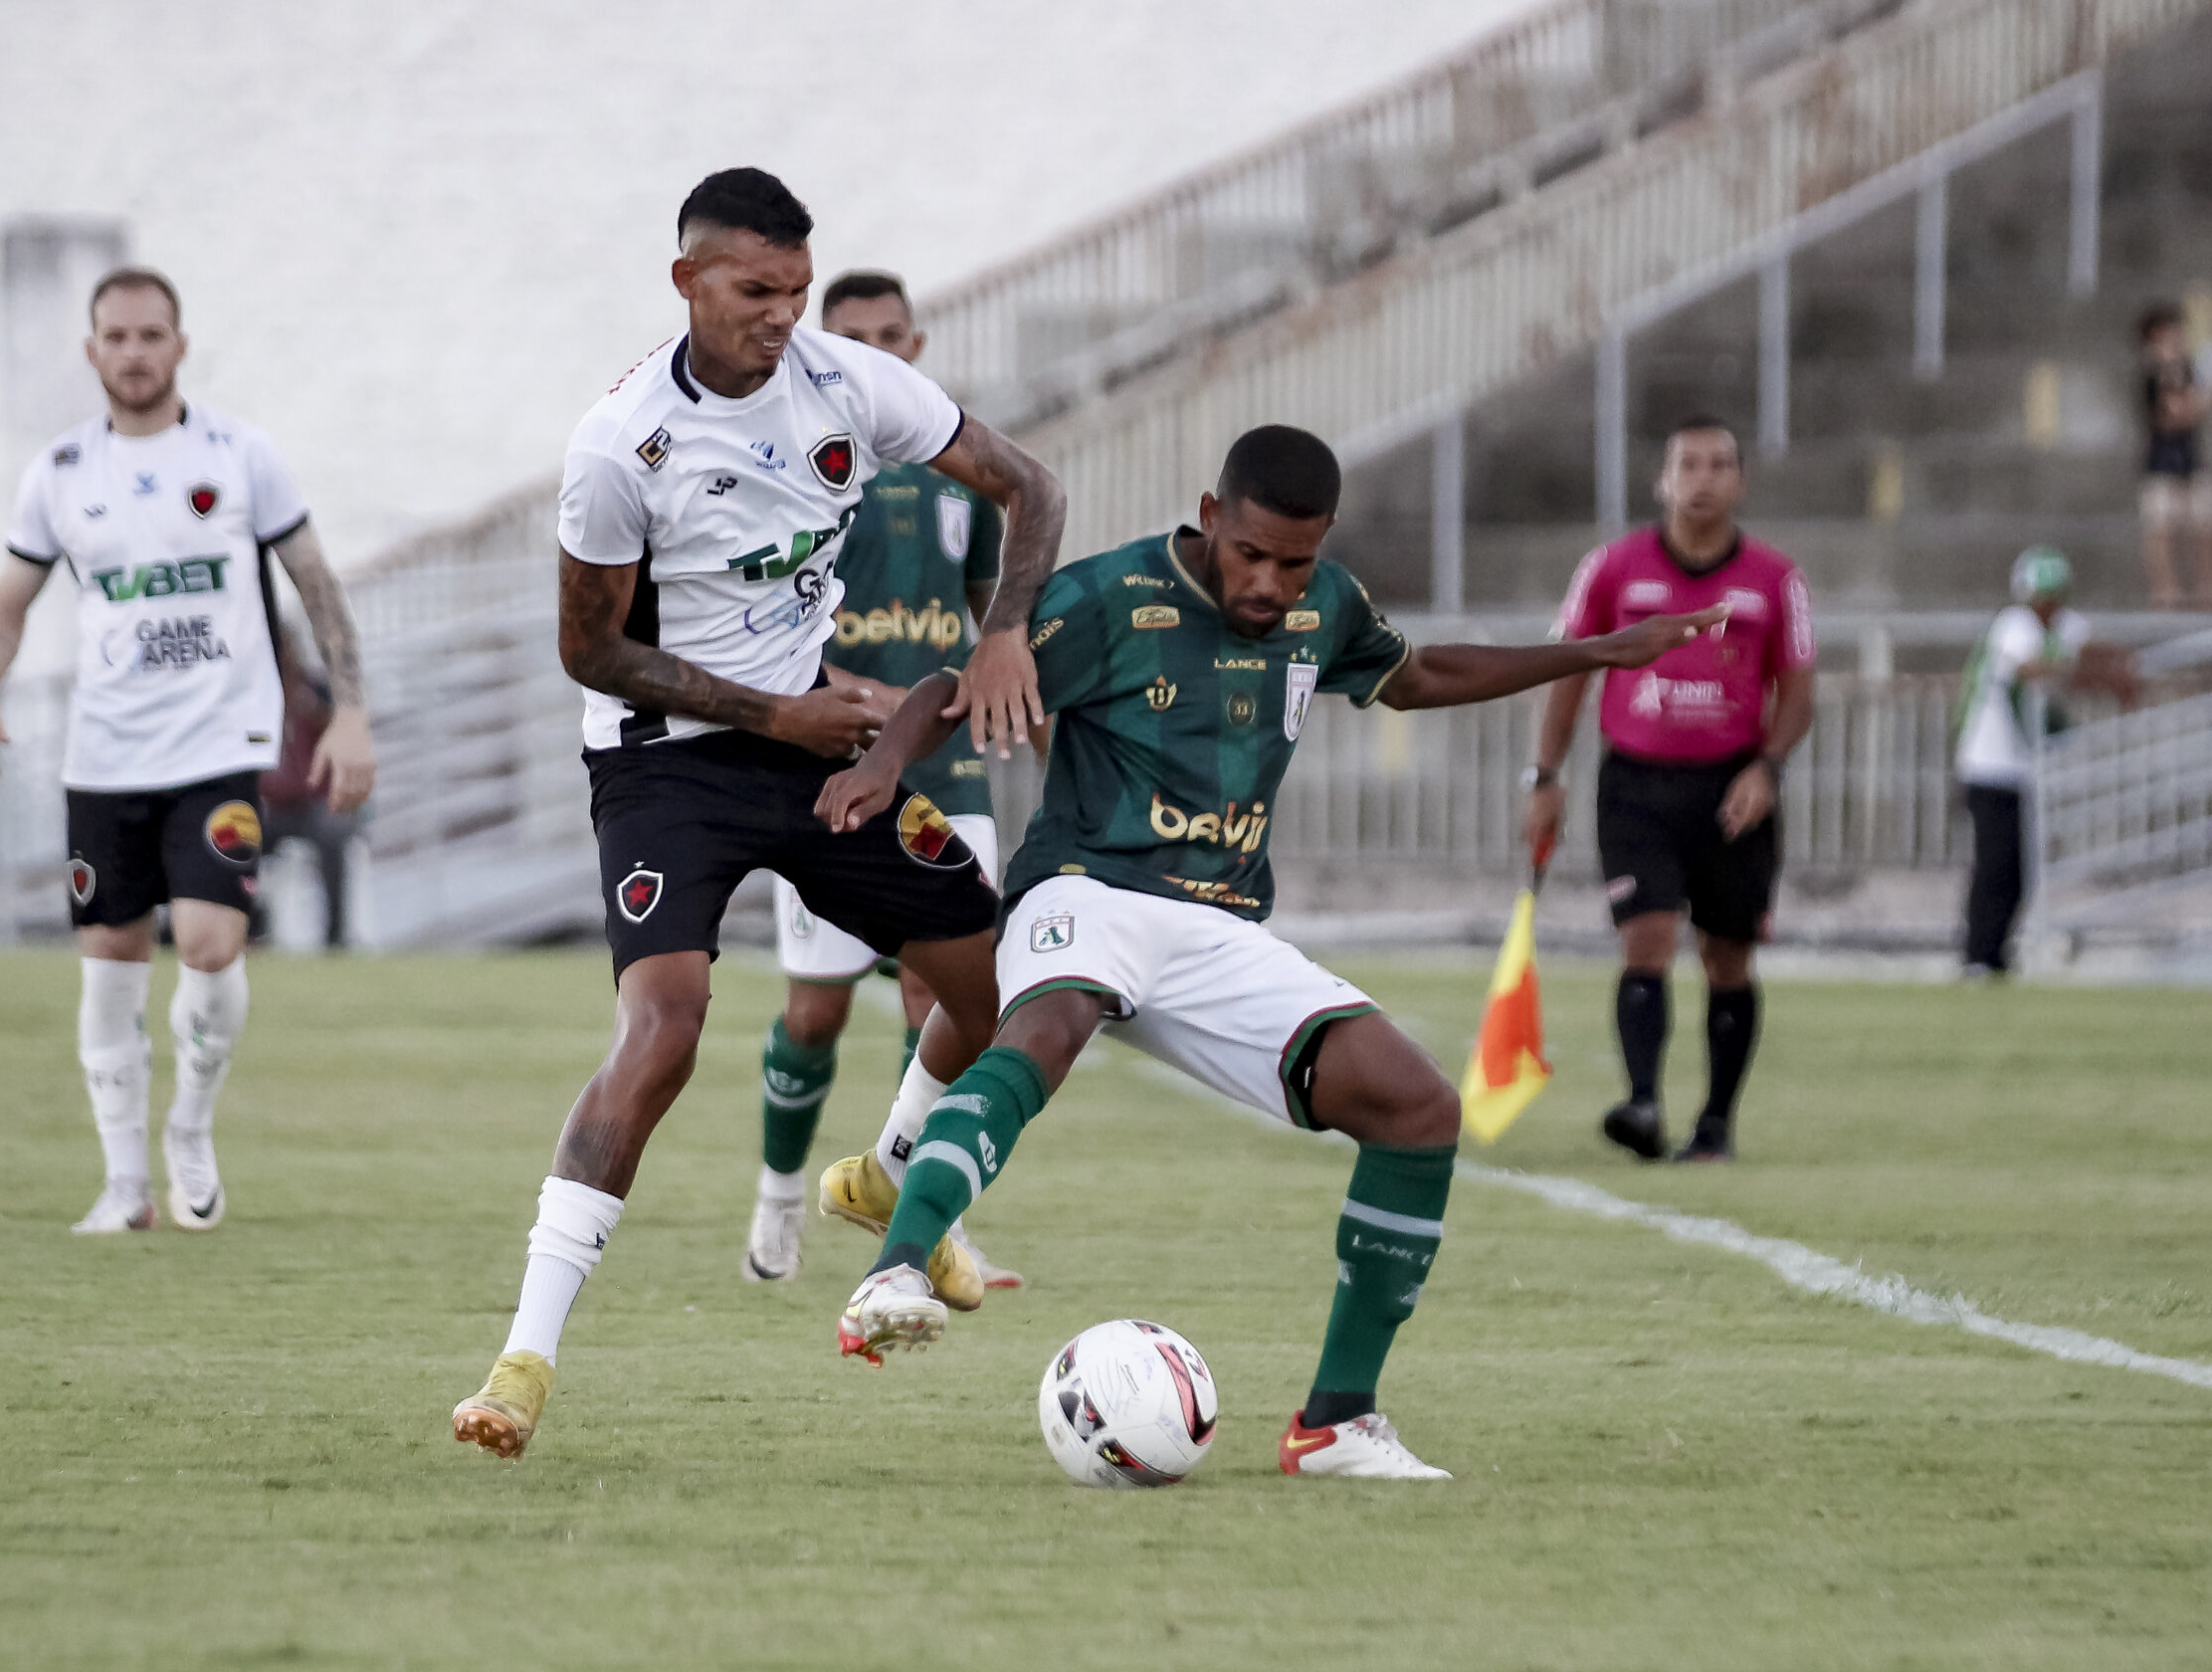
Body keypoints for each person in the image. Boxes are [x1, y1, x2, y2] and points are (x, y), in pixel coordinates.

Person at [814, 424, 1726, 1479]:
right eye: (1251, 554)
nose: (1271, 582)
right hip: (1087, 888)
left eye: (1294, 561)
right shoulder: (1110, 599)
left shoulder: (1324, 605)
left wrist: (1600, 653)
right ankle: (895, 1276)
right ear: (1210, 518)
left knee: (1419, 1108)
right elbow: (954, 687)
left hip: (1218, 928)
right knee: (1046, 1028)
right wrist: (885, 765)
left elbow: (1419, 674)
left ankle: (1335, 1424)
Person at [450, 169, 1066, 1464]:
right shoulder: (621, 442)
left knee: (991, 989)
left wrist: (1003, 630)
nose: (782, 316)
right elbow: (592, 650)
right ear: (688, 283)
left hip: (810, 741)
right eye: (753, 292)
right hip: (665, 761)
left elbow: (1030, 485)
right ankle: (525, 1353)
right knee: (666, 1026)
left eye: (796, 290)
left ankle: (889, 1169)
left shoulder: (852, 384)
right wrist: (772, 713)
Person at [0, 266, 376, 1236]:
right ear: (93, 351)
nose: (136, 353)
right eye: (118, 337)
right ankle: (123, 1186)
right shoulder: (60, 473)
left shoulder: (239, 455)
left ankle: (188, 1126)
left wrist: (350, 712)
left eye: (152, 336)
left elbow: (315, 584)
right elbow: (5, 609)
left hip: (217, 751)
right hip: (104, 760)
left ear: (180, 346)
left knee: (211, 944)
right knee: (109, 957)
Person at [743, 268, 1020, 1293]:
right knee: (815, 1009)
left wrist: (1010, 664)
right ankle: (778, 1198)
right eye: (850, 334)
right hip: (831, 762)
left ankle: (924, 1217)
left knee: (944, 986)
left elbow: (989, 595)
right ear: (821, 342)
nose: (873, 350)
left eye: (891, 335)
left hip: (947, 759)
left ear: (915, 345)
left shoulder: (960, 466)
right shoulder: (782, 462)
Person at [1524, 416, 1815, 1165]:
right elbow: (1569, 670)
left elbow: (1799, 690)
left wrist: (1768, 768)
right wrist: (1546, 775)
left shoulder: (1775, 579)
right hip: (1637, 785)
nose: (1704, 478)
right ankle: (1644, 1101)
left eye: (1720, 464)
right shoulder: (1614, 569)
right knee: (1646, 937)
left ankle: (1715, 1124)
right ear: (1663, 478)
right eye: (1689, 464)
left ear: (1741, 481)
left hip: (1732, 788)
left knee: (1727, 955)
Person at [1953, 546, 2136, 976]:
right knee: (1994, 864)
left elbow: (2090, 645)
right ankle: (1979, 955)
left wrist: (2119, 667)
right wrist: (2093, 672)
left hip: (2021, 769)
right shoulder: (2011, 626)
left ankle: (1997, 954)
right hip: (1988, 764)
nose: (2049, 605)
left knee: (2019, 867)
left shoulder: (2062, 627)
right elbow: (2031, 668)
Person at [257, 638, 361, 949]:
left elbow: (342, 734)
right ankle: (253, 930)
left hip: (313, 803)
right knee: (234, 838)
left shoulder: (314, 689)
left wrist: (313, 709)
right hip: (272, 806)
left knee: (333, 833)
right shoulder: (254, 693)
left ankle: (336, 935)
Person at [2136, 304, 2211, 611]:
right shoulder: (2152, 373)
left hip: (2190, 463)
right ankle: (2165, 591)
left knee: (2203, 526)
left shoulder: (2190, 368)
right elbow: (2171, 414)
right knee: (2160, 530)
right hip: (2161, 466)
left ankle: (2206, 587)